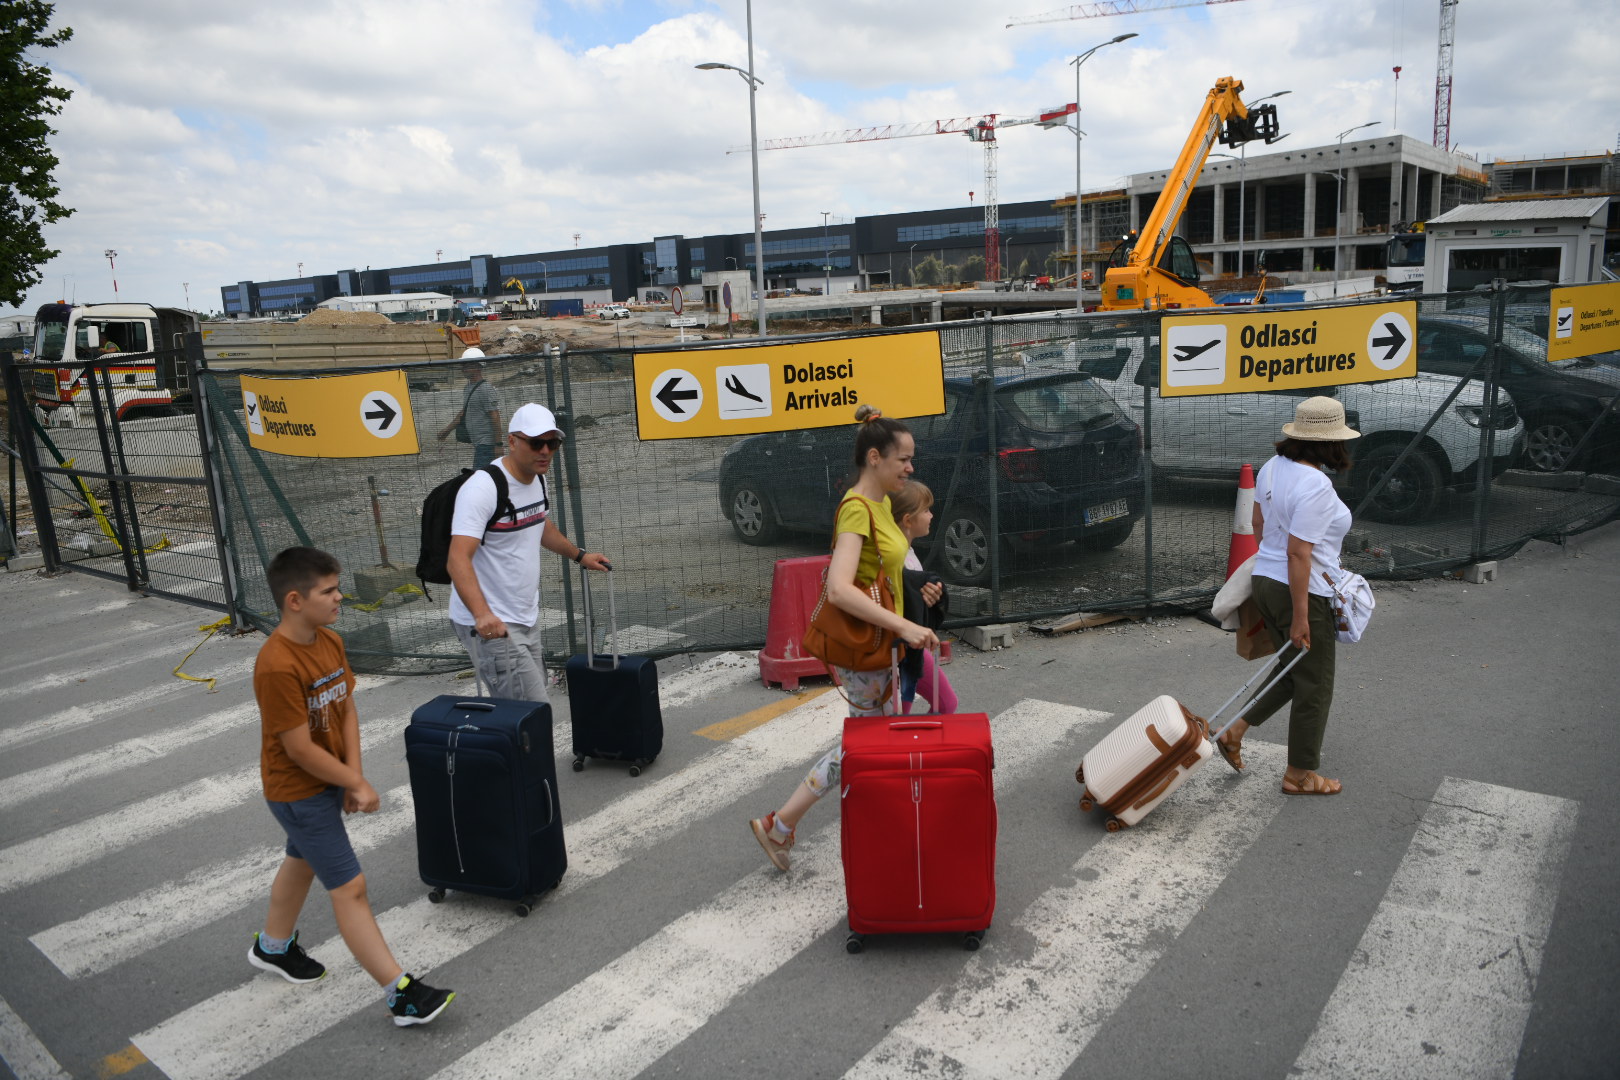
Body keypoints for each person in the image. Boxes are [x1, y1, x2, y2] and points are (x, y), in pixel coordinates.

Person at [249, 546, 456, 1026]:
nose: (340, 596)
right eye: (329, 590)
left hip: (326, 782)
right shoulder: (277, 665)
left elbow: (344, 709)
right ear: (295, 600)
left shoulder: (330, 641)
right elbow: (298, 749)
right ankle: (400, 994)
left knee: (301, 862)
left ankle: (273, 947)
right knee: (351, 888)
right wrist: (354, 781)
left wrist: (351, 773)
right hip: (297, 791)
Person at [748, 404, 938, 871]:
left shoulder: (879, 504)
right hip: (867, 651)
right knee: (861, 747)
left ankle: (792, 824)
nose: (911, 468)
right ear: (874, 457)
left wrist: (916, 606)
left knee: (872, 744)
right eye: (903, 460)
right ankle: (784, 823)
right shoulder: (858, 509)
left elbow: (888, 573)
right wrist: (903, 626)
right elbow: (839, 587)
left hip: (884, 649)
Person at [1215, 396, 1358, 797]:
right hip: (1302, 590)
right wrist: (1301, 615)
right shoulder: (1317, 486)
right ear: (1331, 443)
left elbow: (1259, 523)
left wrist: (1271, 563)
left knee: (1291, 671)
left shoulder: (1274, 467)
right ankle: (1300, 774)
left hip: (1265, 579)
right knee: (1315, 683)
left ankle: (1235, 730)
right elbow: (1300, 553)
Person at [446, 402, 610, 701]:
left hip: (523, 614)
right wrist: (482, 615)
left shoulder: (538, 480)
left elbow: (540, 525)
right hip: (491, 622)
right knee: (531, 710)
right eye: (536, 443)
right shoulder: (483, 488)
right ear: (512, 441)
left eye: (552, 443)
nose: (545, 451)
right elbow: (457, 558)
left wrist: (579, 555)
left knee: (524, 711)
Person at [890, 480, 958, 716]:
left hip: (914, 647)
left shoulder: (906, 551)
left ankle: (912, 747)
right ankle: (919, 748)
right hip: (906, 649)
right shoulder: (894, 557)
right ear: (908, 520)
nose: (932, 514)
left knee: (900, 717)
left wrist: (931, 597)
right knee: (945, 704)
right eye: (926, 509)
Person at [437, 349, 502, 468]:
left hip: (486, 444)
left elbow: (495, 416)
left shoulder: (485, 389)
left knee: (480, 478)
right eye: (463, 365)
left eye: (467, 365)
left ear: (478, 366)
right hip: (478, 444)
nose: (463, 369)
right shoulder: (468, 388)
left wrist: (498, 444)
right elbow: (463, 413)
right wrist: (447, 430)